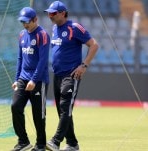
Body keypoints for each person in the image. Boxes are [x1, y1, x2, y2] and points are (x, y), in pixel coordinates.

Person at [44, 1, 99, 151]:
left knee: (65, 107)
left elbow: (94, 45)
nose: (50, 16)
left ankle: (55, 141)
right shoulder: (54, 28)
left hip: (71, 74)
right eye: (49, 13)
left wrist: (84, 65)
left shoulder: (74, 28)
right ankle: (73, 144)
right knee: (63, 110)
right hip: (57, 75)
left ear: (63, 13)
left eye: (53, 13)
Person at [11, 7, 50, 151]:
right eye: (22, 22)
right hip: (23, 78)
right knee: (15, 107)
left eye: (27, 22)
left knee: (38, 113)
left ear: (35, 20)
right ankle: (23, 141)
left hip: (39, 80)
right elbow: (20, 58)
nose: (25, 25)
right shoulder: (22, 35)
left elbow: (42, 61)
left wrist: (34, 80)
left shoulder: (43, 35)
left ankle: (40, 145)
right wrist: (16, 79)